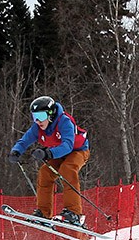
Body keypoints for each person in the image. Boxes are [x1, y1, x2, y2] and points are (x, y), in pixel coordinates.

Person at [7, 95, 90, 226]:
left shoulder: (64, 121)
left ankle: (74, 213)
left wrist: (48, 153)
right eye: (35, 117)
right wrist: (16, 151)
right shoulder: (38, 127)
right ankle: (44, 213)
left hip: (78, 151)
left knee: (67, 170)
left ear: (50, 114)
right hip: (57, 153)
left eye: (41, 116)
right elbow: (25, 140)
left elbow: (68, 145)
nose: (38, 121)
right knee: (45, 173)